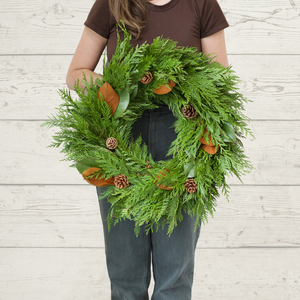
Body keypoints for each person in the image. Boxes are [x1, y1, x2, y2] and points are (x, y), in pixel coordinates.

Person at [66, 0, 229, 299]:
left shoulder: (201, 4)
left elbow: (219, 84)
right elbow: (76, 73)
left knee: (175, 274)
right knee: (125, 274)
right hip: (121, 141)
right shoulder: (111, 3)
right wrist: (114, 87)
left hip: (183, 141)